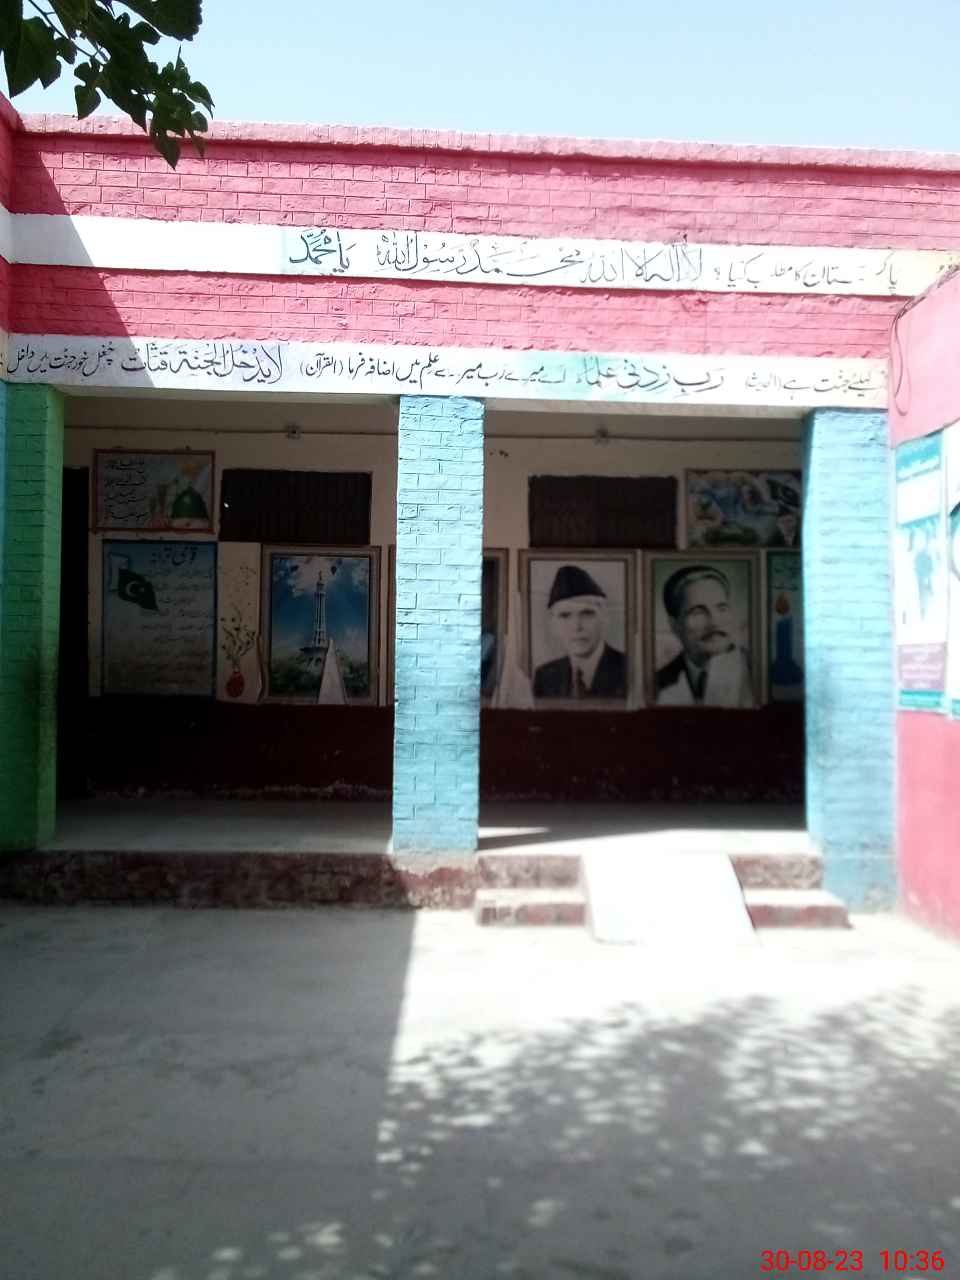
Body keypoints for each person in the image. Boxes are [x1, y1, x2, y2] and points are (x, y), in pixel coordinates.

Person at [655, 564, 754, 707]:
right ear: (674, 625)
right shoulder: (657, 683)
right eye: (698, 612)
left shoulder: (758, 671)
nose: (714, 622)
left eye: (722, 608)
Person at [533, 564, 626, 699]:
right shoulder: (544, 675)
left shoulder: (630, 670)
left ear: (605, 618)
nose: (576, 626)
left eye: (587, 613)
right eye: (565, 615)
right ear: (553, 625)